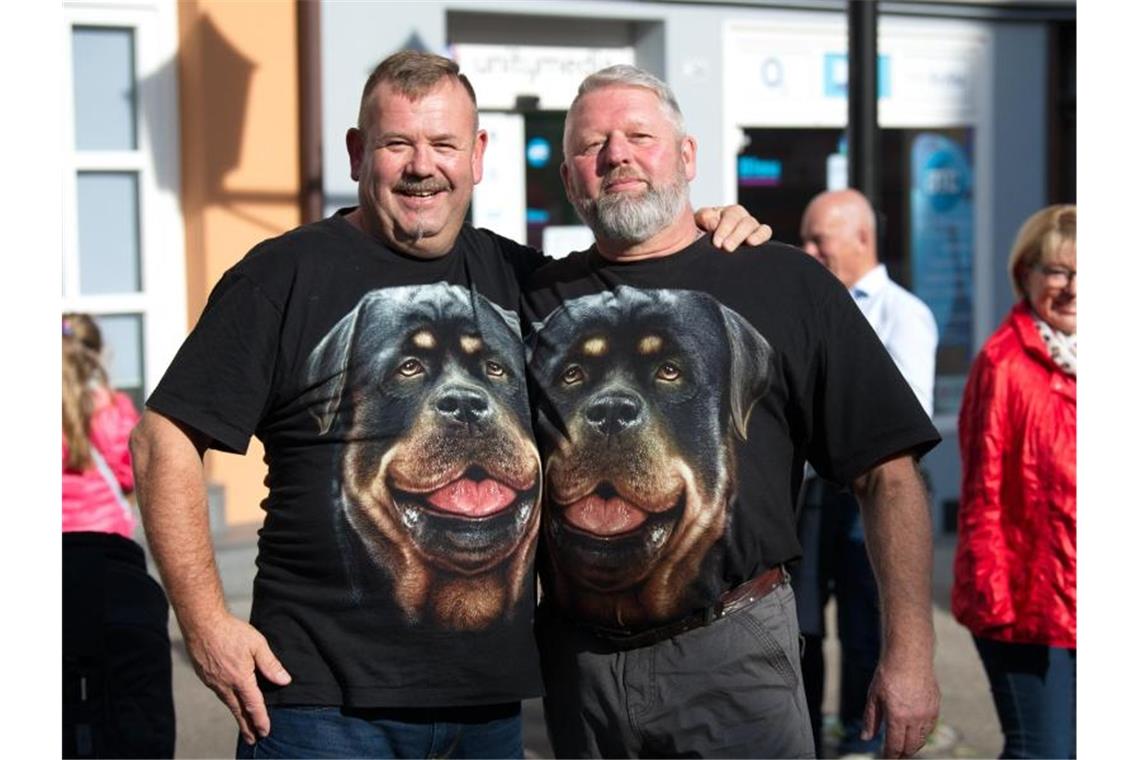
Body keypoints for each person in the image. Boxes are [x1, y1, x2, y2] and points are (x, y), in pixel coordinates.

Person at [129, 50, 768, 759]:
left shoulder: (524, 282)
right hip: (321, 711)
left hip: (487, 715)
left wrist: (709, 231)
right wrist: (207, 624)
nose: (421, 166)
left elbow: (644, 261)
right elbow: (164, 440)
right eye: (397, 143)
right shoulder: (284, 275)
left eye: (443, 144)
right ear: (355, 153)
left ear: (478, 155)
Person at [522, 64, 941, 759]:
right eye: (592, 145)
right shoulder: (533, 296)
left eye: (639, 135)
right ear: (570, 180)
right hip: (579, 672)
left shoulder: (781, 281)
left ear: (687, 157)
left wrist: (911, 655)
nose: (617, 154)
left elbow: (888, 476)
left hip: (732, 657)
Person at [794, 188, 938, 756]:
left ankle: (862, 739)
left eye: (817, 239)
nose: (806, 249)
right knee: (802, 629)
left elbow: (906, 420)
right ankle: (802, 738)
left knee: (864, 626)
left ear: (860, 237)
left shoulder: (905, 314)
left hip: (866, 498)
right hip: (808, 494)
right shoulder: (805, 303)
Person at [951, 204, 1076, 759]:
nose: (1073, 288)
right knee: (1041, 751)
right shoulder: (1005, 365)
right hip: (1027, 606)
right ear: (1025, 275)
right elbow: (983, 494)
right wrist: (994, 601)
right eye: (1058, 272)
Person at [62, 313, 175, 758]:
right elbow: (132, 474)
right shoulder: (112, 408)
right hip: (111, 564)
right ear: (97, 354)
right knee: (130, 699)